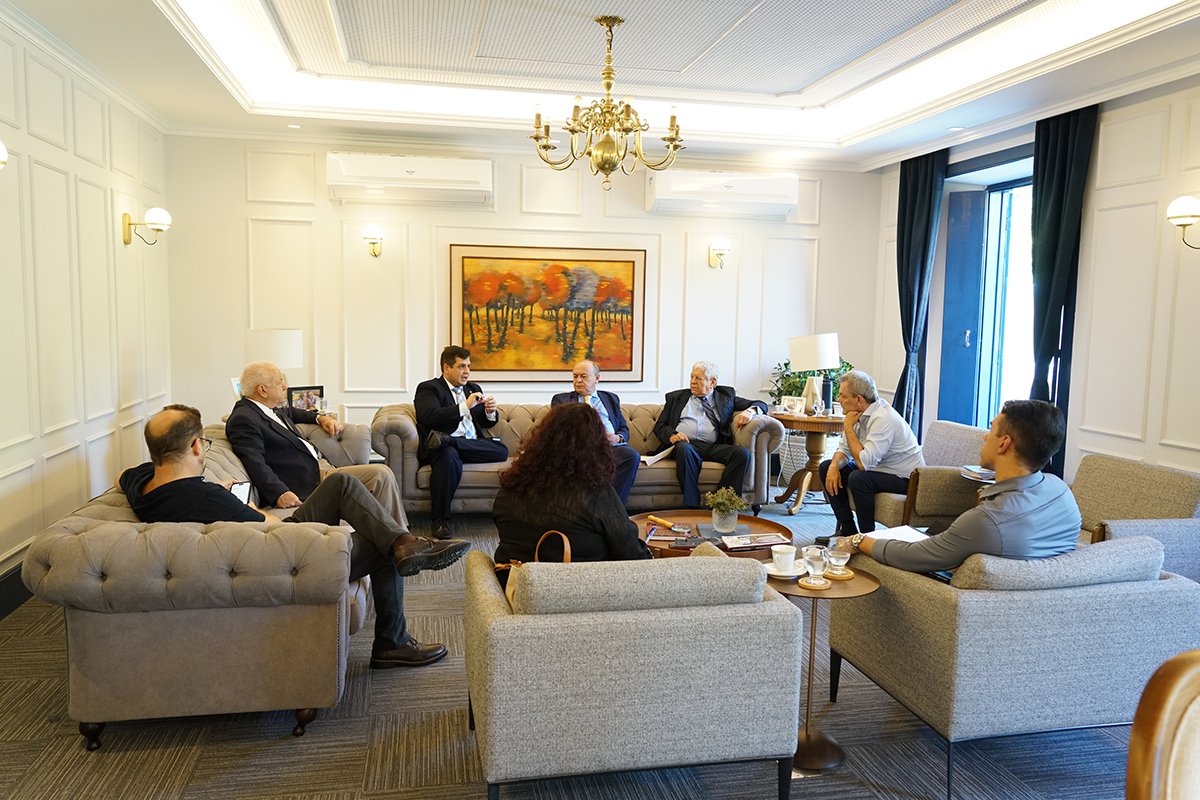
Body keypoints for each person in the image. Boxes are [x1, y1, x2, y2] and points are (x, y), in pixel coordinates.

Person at [120, 405, 472, 669]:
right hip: (282, 557)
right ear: (197, 446)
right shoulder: (206, 498)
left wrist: (219, 490)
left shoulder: (139, 482)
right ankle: (393, 639)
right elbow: (269, 523)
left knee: (341, 482)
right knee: (383, 546)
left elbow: (138, 479)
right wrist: (235, 502)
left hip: (262, 545)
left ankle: (405, 543)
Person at [849, 399, 1081, 573]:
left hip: (959, 602)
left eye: (991, 430)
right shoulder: (1062, 493)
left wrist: (858, 540)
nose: (985, 437)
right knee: (934, 531)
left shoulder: (986, 521)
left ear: (1004, 444)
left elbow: (912, 556)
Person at [226, 361, 407, 528]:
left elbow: (293, 412)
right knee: (380, 473)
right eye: (280, 382)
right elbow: (254, 461)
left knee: (382, 474)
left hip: (321, 468)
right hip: (310, 480)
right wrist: (279, 493)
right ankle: (399, 538)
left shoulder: (267, 409)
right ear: (263, 390)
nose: (285, 386)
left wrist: (320, 418)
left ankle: (392, 537)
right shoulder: (244, 418)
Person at [493, 402, 651, 571]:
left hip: (514, 582)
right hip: (577, 584)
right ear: (597, 446)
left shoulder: (510, 488)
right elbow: (633, 555)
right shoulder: (596, 495)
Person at [414, 345, 509, 539]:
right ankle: (440, 521)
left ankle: (449, 441)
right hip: (442, 451)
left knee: (502, 450)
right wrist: (465, 406)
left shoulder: (473, 389)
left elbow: (483, 423)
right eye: (461, 366)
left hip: (468, 444)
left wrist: (490, 412)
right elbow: (429, 416)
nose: (467, 372)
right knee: (448, 456)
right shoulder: (429, 388)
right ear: (446, 368)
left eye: (468, 366)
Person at [818, 370, 923, 537]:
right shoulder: (855, 414)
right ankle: (848, 530)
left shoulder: (883, 418)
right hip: (878, 469)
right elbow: (844, 449)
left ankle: (867, 537)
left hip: (905, 478)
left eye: (843, 396)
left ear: (859, 399)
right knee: (826, 467)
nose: (838, 400)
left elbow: (863, 464)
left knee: (858, 478)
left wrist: (848, 428)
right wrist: (833, 466)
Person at [653, 361, 768, 508]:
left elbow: (761, 404)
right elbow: (660, 426)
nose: (692, 382)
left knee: (742, 453)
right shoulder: (675, 398)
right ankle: (692, 506)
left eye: (698, 378)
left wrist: (750, 411)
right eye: (691, 377)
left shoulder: (726, 396)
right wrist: (672, 436)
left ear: (712, 382)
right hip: (687, 444)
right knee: (683, 448)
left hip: (713, 446)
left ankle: (723, 505)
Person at [550, 359, 639, 504]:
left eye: (583, 376)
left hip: (610, 447)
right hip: (580, 448)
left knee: (631, 456)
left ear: (597, 378)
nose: (578, 380)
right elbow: (559, 430)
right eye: (575, 376)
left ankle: (613, 506)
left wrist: (617, 438)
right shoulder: (562, 399)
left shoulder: (611, 398)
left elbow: (623, 428)